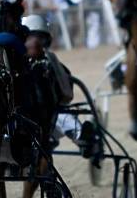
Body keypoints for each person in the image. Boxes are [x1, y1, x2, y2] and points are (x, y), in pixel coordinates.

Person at [21, 14, 95, 157]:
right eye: (30, 37)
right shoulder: (15, 63)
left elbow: (66, 94)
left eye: (40, 38)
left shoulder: (52, 65)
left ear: (46, 42)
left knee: (62, 115)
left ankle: (83, 138)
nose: (35, 42)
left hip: (51, 120)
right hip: (24, 122)